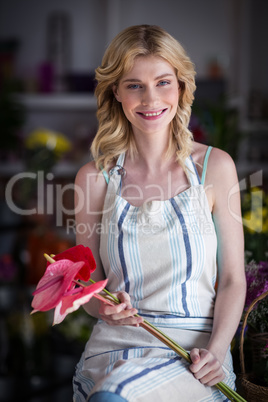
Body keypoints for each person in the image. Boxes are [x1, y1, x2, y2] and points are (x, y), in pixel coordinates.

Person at [73, 25, 246, 402]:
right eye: (134, 85)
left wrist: (217, 352)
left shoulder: (214, 167)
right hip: (114, 348)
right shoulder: (93, 178)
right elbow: (88, 286)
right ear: (115, 91)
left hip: (195, 355)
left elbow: (233, 279)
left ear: (181, 86)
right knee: (111, 392)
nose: (150, 98)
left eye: (163, 82)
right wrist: (105, 309)